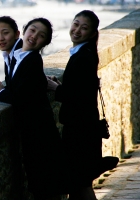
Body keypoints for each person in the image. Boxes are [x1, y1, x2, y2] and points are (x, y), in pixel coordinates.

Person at [0, 17, 62, 200]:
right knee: (41, 187)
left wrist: (0, 91)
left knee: (44, 189)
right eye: (32, 30)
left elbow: (20, 100)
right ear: (25, 30)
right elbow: (20, 89)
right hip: (34, 135)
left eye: (41, 35)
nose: (34, 36)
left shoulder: (32, 61)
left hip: (40, 137)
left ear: (45, 42)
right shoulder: (17, 57)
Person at [47, 10, 118, 200]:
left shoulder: (83, 57)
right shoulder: (85, 53)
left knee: (81, 186)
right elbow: (82, 90)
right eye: (76, 24)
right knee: (79, 186)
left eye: (84, 28)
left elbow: (76, 96)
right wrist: (62, 86)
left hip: (81, 133)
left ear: (93, 33)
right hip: (84, 130)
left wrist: (55, 87)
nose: (77, 30)